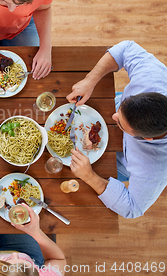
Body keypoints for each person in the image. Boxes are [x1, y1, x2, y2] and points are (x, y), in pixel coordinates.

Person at [66, 40, 167, 218]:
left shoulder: (155, 168)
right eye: (120, 111)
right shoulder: (153, 79)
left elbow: (132, 208)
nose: (113, 117)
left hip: (118, 162)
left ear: (147, 139)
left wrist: (90, 177)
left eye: (119, 123)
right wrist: (90, 80)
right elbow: (126, 48)